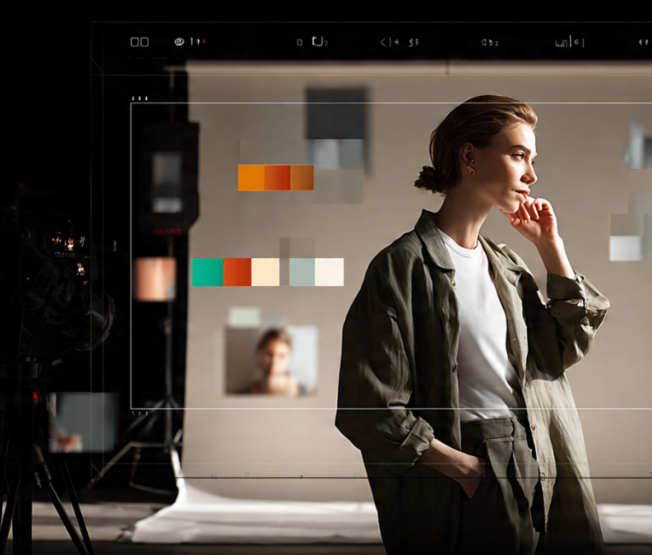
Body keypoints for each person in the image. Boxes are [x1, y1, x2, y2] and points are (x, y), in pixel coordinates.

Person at [335, 95, 609, 555]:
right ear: (469, 157)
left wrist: (551, 250)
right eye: (518, 155)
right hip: (475, 467)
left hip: (538, 455)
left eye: (532, 159)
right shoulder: (402, 267)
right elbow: (368, 407)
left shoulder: (505, 266)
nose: (532, 175)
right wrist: (467, 471)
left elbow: (561, 353)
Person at [245, 328, 306, 397]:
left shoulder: (303, 393)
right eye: (269, 354)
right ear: (260, 354)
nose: (274, 361)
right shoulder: (244, 395)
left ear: (289, 357)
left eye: (281, 356)